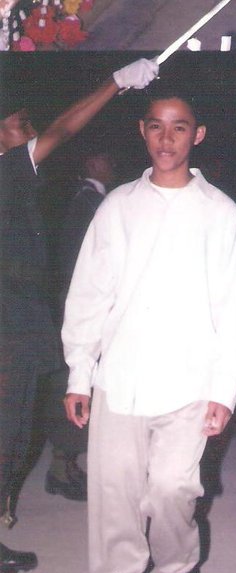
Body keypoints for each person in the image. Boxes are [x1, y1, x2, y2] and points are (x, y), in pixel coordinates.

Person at [62, 88, 236, 573]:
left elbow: (230, 307)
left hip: (188, 381)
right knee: (113, 497)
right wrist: (79, 372)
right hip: (120, 378)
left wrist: (225, 389)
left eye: (180, 127)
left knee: (171, 489)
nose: (167, 138)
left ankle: (179, 562)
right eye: (157, 126)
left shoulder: (220, 212)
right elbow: (89, 293)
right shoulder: (117, 206)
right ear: (142, 131)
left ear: (198, 135)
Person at [0, 56, 159, 573]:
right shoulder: (6, 169)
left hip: (18, 328)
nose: (30, 133)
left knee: (13, 436)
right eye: (20, 124)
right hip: (6, 331)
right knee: (5, 436)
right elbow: (65, 128)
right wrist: (115, 82)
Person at [43, 147, 116, 502]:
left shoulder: (91, 200)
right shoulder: (86, 202)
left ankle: (67, 464)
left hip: (82, 304)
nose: (111, 165)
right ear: (91, 162)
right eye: (105, 160)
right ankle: (61, 468)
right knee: (75, 383)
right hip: (80, 307)